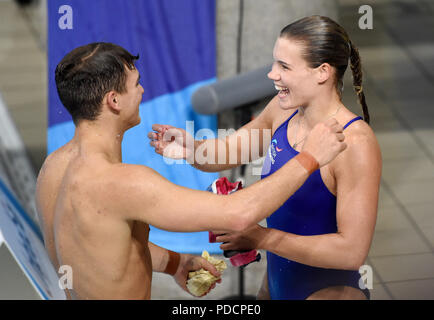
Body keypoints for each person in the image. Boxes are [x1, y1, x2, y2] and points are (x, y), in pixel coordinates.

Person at [36, 42, 346, 300]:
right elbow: (239, 213)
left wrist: (176, 263)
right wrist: (309, 157)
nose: (143, 91)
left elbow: (103, 249)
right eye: (136, 84)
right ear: (113, 101)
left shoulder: (54, 167)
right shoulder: (124, 182)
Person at [149, 16, 382, 300]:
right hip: (277, 284)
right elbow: (228, 151)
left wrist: (262, 238)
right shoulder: (283, 112)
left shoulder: (355, 143)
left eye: (284, 66)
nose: (272, 74)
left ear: (322, 72)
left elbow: (350, 253)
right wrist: (191, 149)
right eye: (274, 63)